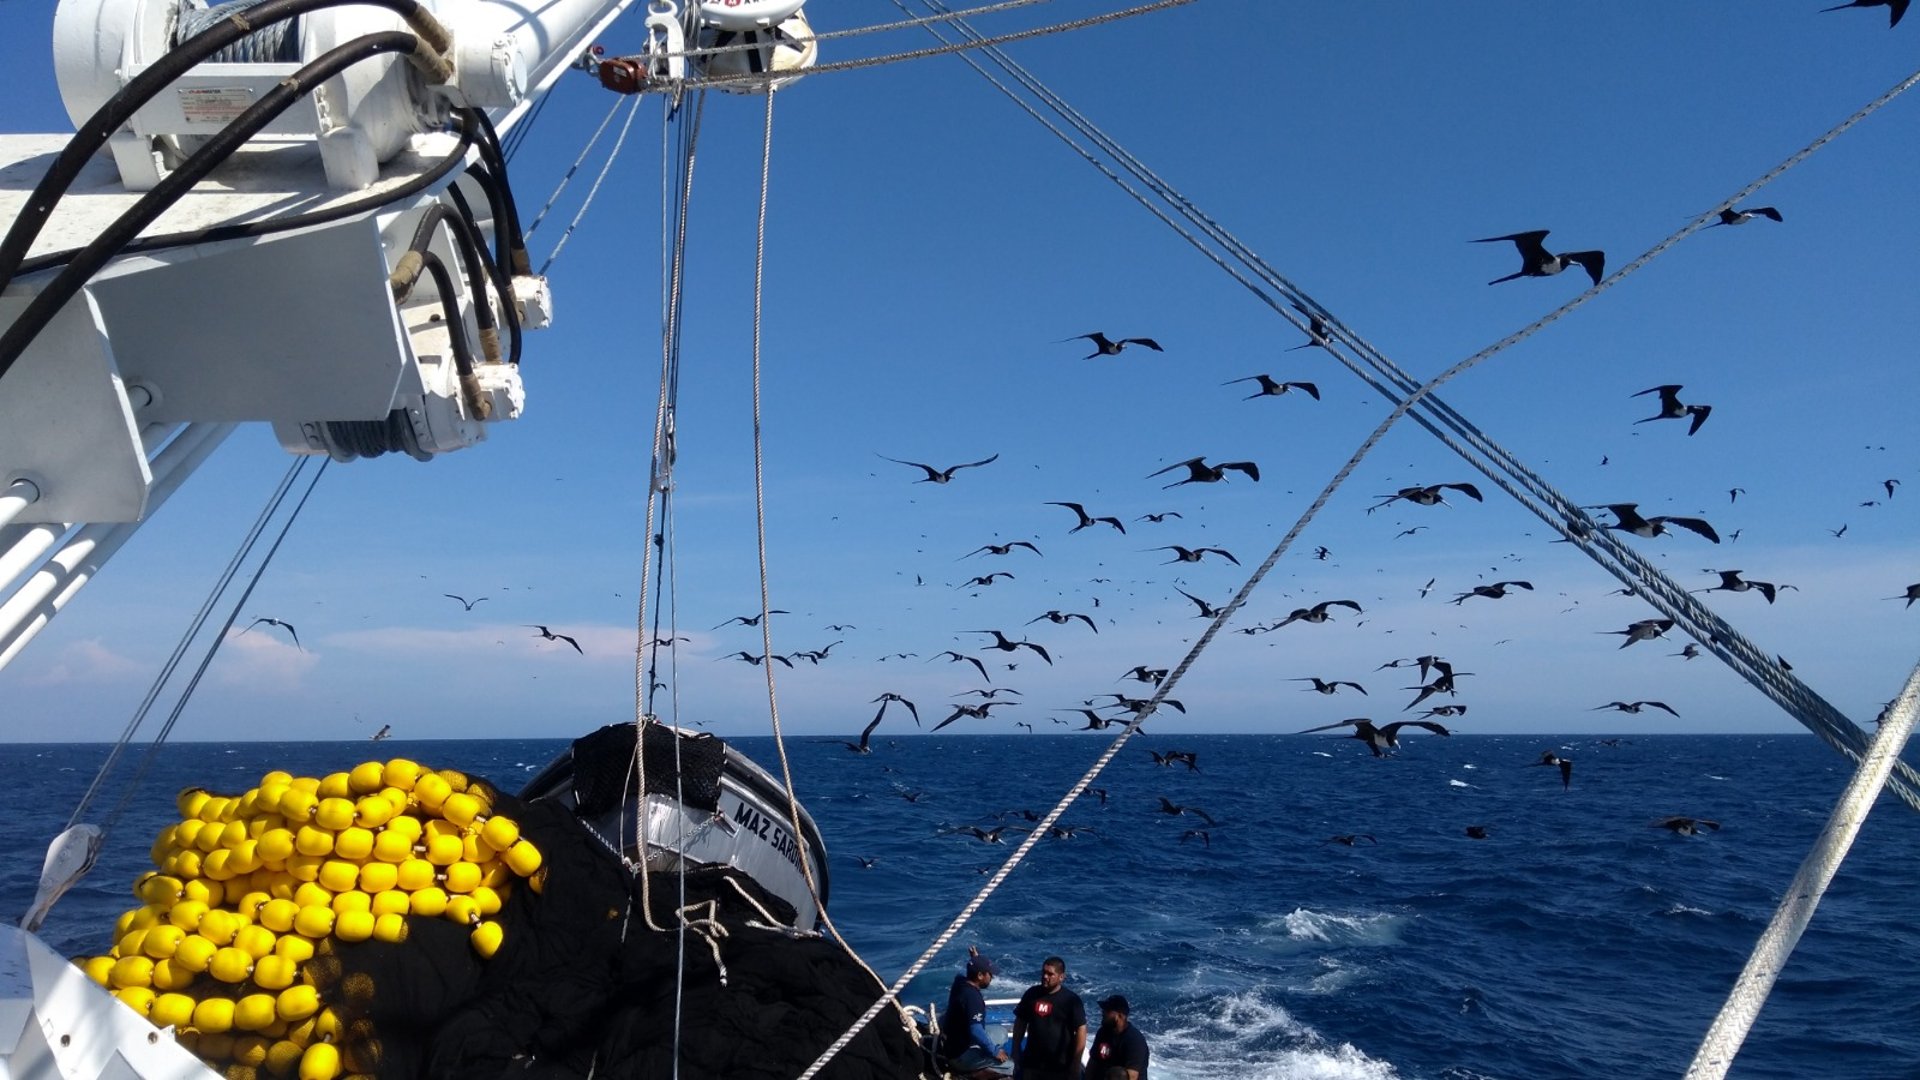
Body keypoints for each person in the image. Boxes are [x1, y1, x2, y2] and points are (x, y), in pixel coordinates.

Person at [1010, 956, 1086, 1080]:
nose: (1045, 976)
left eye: (1050, 974)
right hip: (1032, 1063)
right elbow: (1020, 1022)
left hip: (1060, 1066)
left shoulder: (1071, 1000)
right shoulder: (1031, 994)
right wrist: (1015, 1048)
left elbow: (1081, 1030)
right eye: (1044, 972)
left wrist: (1076, 1063)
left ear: (1061, 977)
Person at [942, 947, 1011, 1078]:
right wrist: (994, 1051)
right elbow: (976, 1031)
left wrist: (975, 959)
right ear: (979, 976)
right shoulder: (973, 998)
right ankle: (972, 1074)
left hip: (951, 1043)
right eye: (989, 974)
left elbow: (971, 971)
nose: (992, 977)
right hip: (959, 1055)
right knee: (1010, 1067)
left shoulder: (959, 982)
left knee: (1001, 1033)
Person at [1086, 995, 1148, 1080]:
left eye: (1108, 1010)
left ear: (1120, 1016)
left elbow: (1132, 1076)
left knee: (1118, 1073)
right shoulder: (1103, 1032)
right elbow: (1093, 1062)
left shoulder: (1134, 1041)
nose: (1103, 1012)